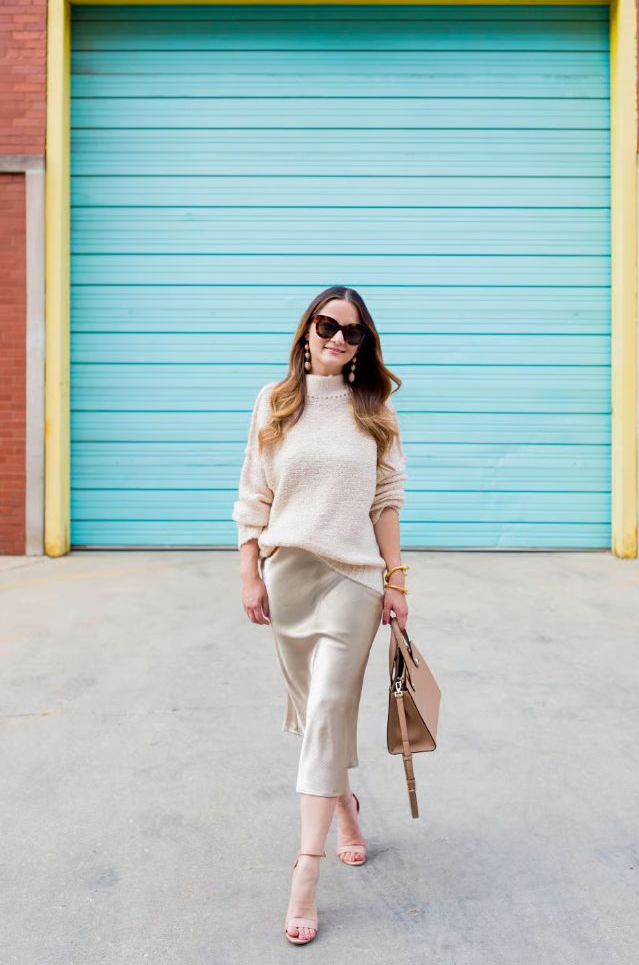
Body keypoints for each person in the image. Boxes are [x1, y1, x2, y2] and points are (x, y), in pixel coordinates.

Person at [231, 286, 409, 946]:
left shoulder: (375, 409)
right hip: (288, 576)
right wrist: (249, 571)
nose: (336, 338)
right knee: (316, 717)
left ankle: (305, 871)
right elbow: (254, 492)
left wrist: (395, 580)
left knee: (330, 704)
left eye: (351, 333)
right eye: (325, 325)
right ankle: (346, 814)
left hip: (353, 579)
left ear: (364, 346)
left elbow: (386, 499)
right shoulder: (273, 402)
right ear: (306, 330)